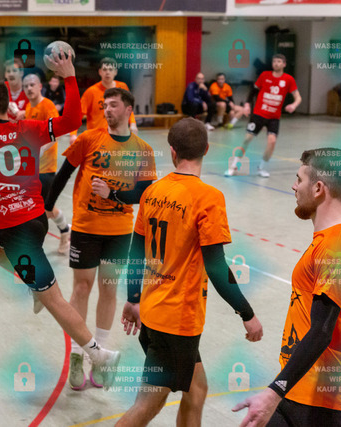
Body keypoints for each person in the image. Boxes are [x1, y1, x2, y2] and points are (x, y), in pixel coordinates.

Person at [0, 51, 121, 387]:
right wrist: (69, 76)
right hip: (33, 219)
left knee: (55, 300)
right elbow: (71, 121)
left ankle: (99, 354)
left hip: (16, 230)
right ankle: (30, 281)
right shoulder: (28, 129)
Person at [116, 118, 263, 427]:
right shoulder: (208, 198)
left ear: (172, 151)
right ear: (207, 150)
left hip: (153, 313)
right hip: (177, 323)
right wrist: (247, 313)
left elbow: (135, 253)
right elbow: (217, 266)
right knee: (146, 406)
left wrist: (133, 298)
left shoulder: (152, 192)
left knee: (196, 391)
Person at [233, 147, 341, 427]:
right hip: (299, 394)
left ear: (318, 188)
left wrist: (275, 390)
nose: (293, 186)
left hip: (324, 409)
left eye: (299, 179)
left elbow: (322, 329)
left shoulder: (337, 247)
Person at [45, 87, 157, 390]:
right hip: (86, 227)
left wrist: (113, 193)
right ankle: (78, 354)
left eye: (113, 105)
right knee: (81, 288)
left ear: (128, 109)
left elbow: (143, 193)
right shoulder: (89, 138)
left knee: (108, 289)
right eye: (104, 105)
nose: (107, 109)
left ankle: (100, 355)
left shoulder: (143, 150)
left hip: (119, 231)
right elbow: (63, 174)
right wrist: (46, 207)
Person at [0, 73, 72, 255]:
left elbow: (55, 133)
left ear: (40, 86)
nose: (29, 89)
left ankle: (65, 231)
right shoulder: (28, 107)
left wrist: (39, 150)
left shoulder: (47, 106)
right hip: (27, 170)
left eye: (32, 85)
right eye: (26, 86)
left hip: (45, 169)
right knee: (35, 206)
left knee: (43, 208)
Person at [225, 54, 302, 178]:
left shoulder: (288, 79)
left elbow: (298, 97)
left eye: (279, 61)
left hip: (274, 118)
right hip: (258, 115)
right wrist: (247, 105)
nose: (276, 63)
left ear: (284, 64)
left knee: (272, 141)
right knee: (247, 139)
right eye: (274, 61)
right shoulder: (264, 75)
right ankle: (233, 166)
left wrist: (294, 105)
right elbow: (253, 91)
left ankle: (261, 168)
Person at [69, 57, 138, 144]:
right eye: (105, 69)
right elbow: (78, 115)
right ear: (100, 72)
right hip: (96, 139)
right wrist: (73, 135)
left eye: (110, 69)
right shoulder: (91, 92)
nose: (107, 72)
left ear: (115, 72)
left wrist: (133, 124)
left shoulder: (122, 88)